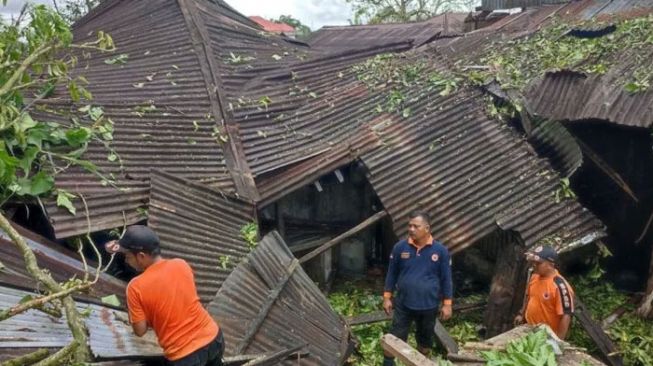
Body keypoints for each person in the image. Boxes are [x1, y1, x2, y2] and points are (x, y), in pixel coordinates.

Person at [105, 225, 224, 366]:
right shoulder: (181, 264)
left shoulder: (135, 287)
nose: (126, 261)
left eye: (128, 256)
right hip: (214, 338)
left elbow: (140, 331)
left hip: (185, 355)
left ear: (141, 256)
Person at [382, 212, 453, 366]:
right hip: (403, 304)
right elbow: (391, 273)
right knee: (393, 340)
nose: (411, 229)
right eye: (410, 226)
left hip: (429, 306)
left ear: (427, 228)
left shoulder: (440, 251)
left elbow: (446, 279)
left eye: (416, 226)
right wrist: (387, 297)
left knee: (425, 342)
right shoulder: (400, 248)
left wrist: (447, 304)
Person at [514, 245, 574, 339]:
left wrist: (559, 341)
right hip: (529, 328)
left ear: (551, 264)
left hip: (547, 336)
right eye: (533, 262)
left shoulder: (560, 286)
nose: (534, 265)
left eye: (538, 263)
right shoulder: (534, 277)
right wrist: (522, 314)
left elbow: (566, 316)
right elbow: (529, 297)